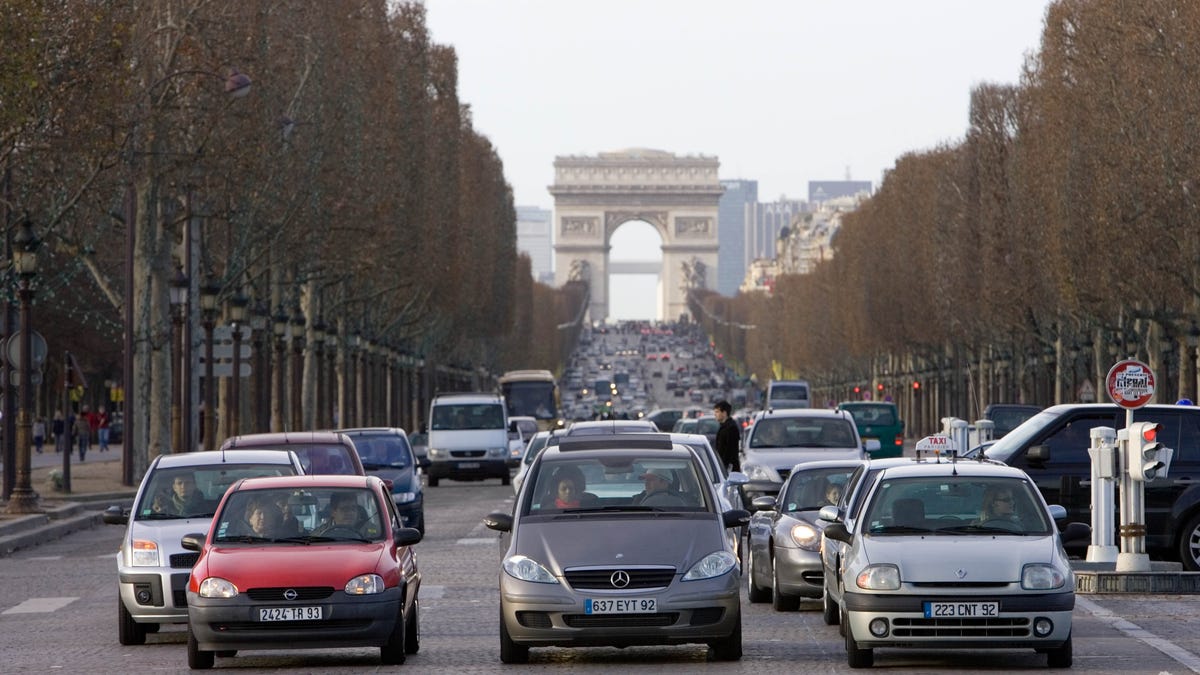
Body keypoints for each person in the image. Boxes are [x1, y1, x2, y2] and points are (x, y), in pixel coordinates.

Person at [712, 400, 740, 472]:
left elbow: (729, 451)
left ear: (724, 413)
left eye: (717, 412)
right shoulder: (724, 427)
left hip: (729, 469)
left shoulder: (731, 428)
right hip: (723, 467)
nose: (715, 414)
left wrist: (723, 466)